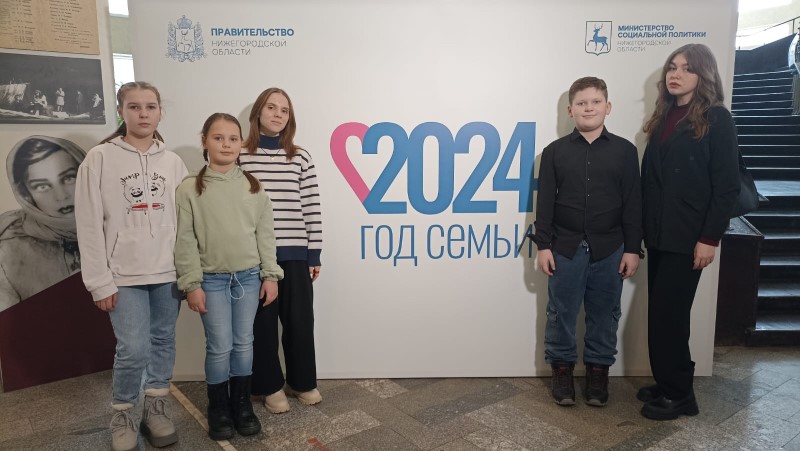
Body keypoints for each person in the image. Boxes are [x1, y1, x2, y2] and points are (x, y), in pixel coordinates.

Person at [75, 81, 188, 450]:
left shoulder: (173, 162)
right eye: (135, 107)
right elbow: (88, 224)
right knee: (133, 349)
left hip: (167, 273)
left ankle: (155, 409)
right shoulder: (99, 159)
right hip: (122, 275)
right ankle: (123, 412)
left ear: (160, 112)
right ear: (121, 111)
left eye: (150, 107)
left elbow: (185, 222)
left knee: (163, 342)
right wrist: (98, 281)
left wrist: (189, 271)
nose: (143, 114)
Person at [638, 44, 740, 420]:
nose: (675, 74)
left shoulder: (717, 118)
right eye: (672, 67)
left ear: (704, 74)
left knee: (671, 317)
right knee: (662, 314)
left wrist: (710, 238)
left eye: (686, 68)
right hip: (660, 233)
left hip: (689, 236)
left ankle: (680, 395)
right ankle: (669, 380)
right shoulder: (665, 115)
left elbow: (726, 186)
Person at [532, 77, 642, 407]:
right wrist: (543, 246)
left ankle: (598, 372)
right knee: (560, 313)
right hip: (564, 248)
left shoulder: (625, 151)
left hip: (611, 248)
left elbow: (633, 204)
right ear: (570, 110)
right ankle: (562, 370)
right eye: (581, 103)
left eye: (595, 102)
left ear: (608, 107)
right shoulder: (554, 153)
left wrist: (632, 249)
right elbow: (545, 203)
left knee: (605, 313)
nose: (589, 108)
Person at [175, 113, 283, 440]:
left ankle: (241, 404)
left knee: (243, 343)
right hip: (211, 280)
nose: (226, 144)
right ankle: (219, 406)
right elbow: (185, 239)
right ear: (205, 141)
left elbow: (265, 235)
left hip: (249, 278)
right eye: (218, 138)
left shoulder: (253, 186)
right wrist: (191, 283)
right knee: (220, 346)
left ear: (241, 144)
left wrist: (270, 275)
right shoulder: (190, 188)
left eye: (233, 139)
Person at [239, 87, 324, 413]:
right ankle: (269, 387)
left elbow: (311, 206)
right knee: (261, 326)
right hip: (256, 257)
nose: (277, 114)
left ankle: (302, 382)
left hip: (295, 255)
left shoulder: (299, 157)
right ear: (258, 113)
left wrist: (313, 253)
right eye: (271, 107)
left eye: (284, 110)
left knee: (300, 323)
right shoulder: (241, 155)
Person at [0, 136, 86, 312]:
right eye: (42, 186)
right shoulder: (9, 251)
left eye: (69, 178)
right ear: (26, 194)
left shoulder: (121, 224)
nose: (61, 196)